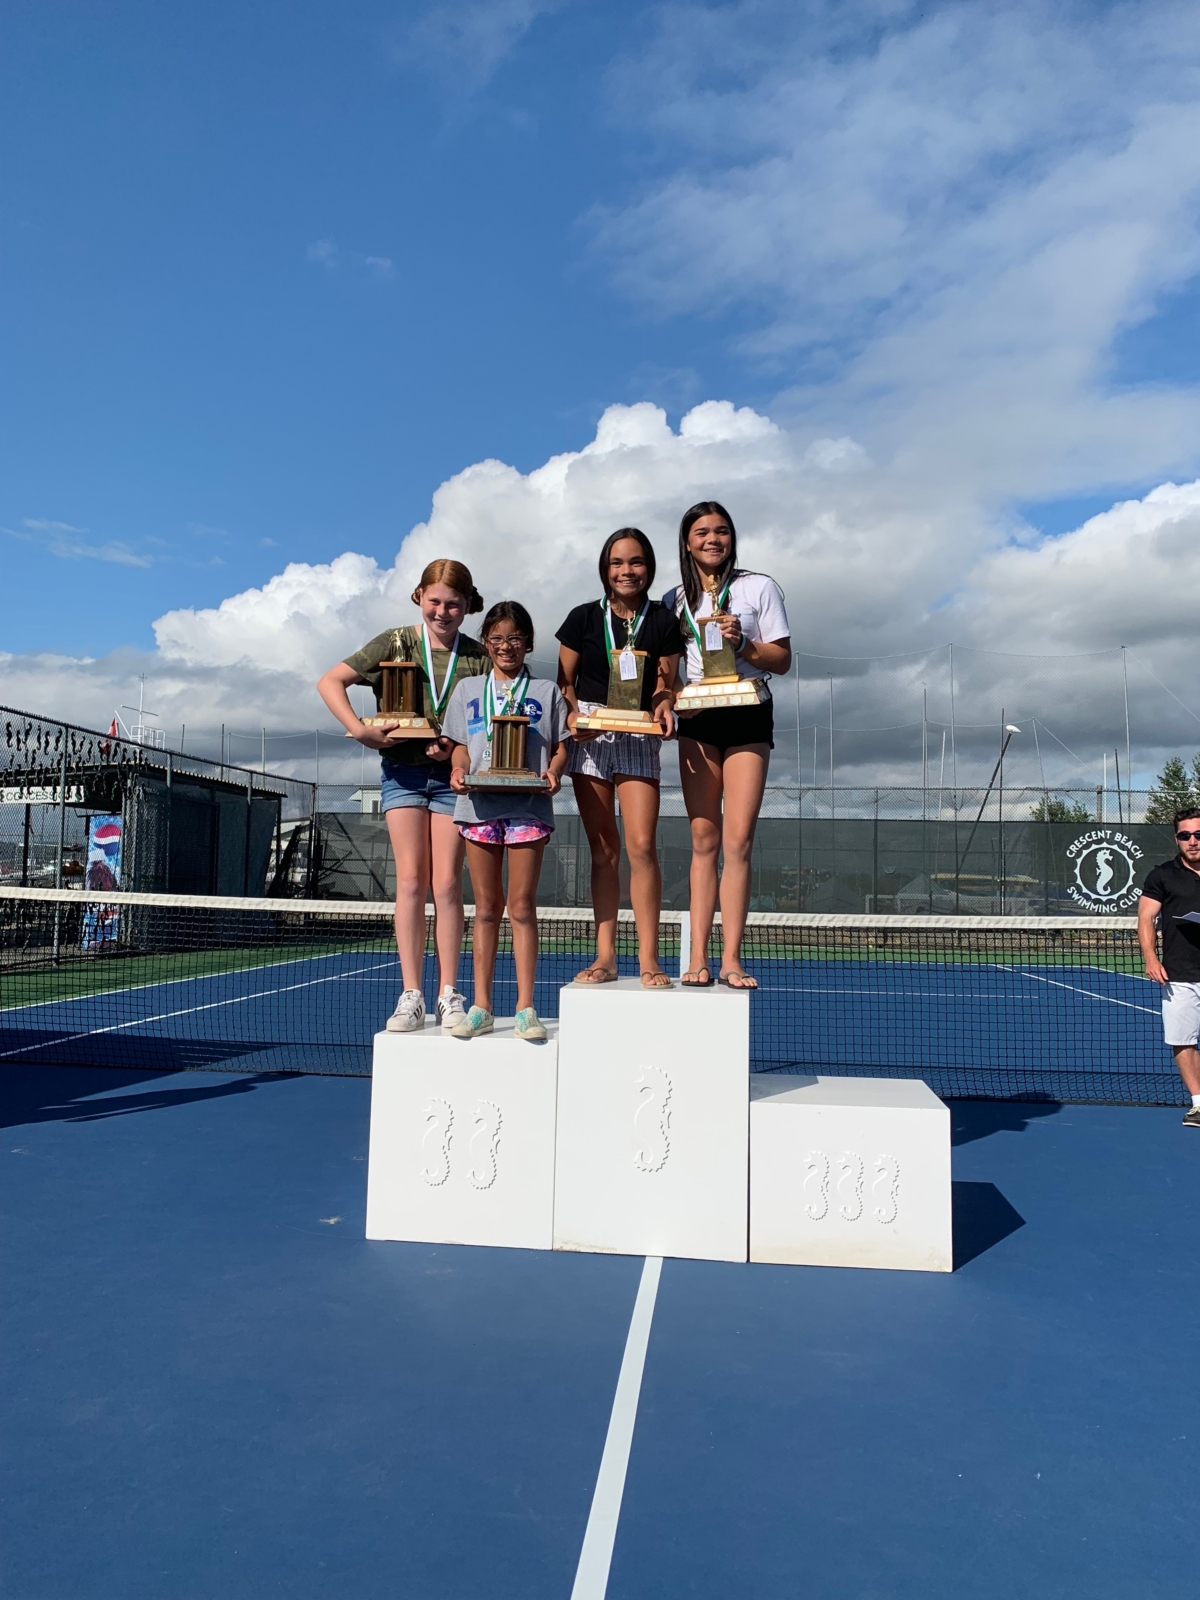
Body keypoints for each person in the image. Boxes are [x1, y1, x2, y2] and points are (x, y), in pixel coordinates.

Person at [316, 558, 488, 1034]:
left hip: (454, 784)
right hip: (403, 777)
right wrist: (360, 731)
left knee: (448, 885)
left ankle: (449, 991)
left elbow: (491, 718)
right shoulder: (394, 642)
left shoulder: (478, 657)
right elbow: (330, 682)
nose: (443, 611)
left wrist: (456, 747)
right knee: (411, 881)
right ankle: (412, 993)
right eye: (434, 601)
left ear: (468, 605)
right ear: (419, 597)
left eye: (454, 604)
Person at [663, 501, 791, 990]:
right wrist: (674, 701)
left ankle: (732, 958)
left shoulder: (760, 587)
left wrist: (745, 646)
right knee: (703, 840)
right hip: (698, 717)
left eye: (720, 531)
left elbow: (781, 659)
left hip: (748, 712)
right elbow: (666, 673)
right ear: (687, 541)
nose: (712, 539)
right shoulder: (673, 599)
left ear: (732, 538)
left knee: (737, 841)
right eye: (701, 532)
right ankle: (696, 956)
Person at [556, 528, 683, 989]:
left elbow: (667, 683)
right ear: (604, 569)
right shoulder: (582, 618)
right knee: (603, 850)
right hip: (590, 736)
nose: (626, 571)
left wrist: (666, 702)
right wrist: (572, 717)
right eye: (617, 563)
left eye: (635, 562)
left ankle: (649, 958)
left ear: (649, 567)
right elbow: (563, 681)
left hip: (639, 731)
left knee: (641, 848)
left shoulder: (665, 621)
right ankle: (606, 957)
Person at [442, 600, 569, 1042]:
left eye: (514, 638)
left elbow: (561, 746)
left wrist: (555, 772)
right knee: (486, 910)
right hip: (478, 807)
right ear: (486, 643)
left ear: (528, 643)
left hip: (528, 809)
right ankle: (481, 1006)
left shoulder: (548, 692)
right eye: (496, 638)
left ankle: (525, 1007)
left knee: (520, 907)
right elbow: (458, 745)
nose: (506, 646)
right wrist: (458, 770)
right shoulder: (467, 690)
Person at [1137, 807, 1200, 1126]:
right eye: (1185, 835)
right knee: (1183, 1040)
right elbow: (1146, 917)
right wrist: (1150, 957)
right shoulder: (1161, 875)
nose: (1193, 841)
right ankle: (1199, 1103)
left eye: (1199, 834)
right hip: (1179, 976)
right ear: (1177, 839)